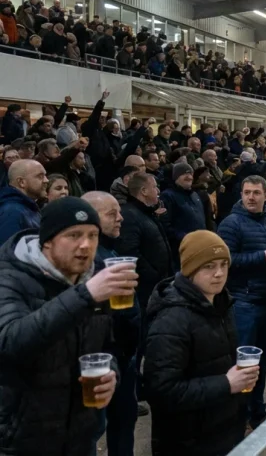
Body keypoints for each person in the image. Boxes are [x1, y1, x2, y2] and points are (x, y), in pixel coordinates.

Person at [0, 196, 137, 456]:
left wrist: (111, 375)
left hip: (81, 436)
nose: (85, 245)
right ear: (48, 241)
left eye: (92, 236)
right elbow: (8, 344)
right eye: (74, 235)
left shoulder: (94, 276)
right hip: (22, 440)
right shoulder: (10, 276)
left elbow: (106, 346)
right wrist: (84, 295)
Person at [144, 230, 256, 456]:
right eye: (208, 266)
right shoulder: (171, 321)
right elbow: (161, 391)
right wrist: (226, 384)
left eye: (224, 264)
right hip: (188, 442)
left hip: (221, 431)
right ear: (190, 269)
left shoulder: (221, 304)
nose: (219, 273)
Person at [217, 176, 266, 429]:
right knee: (243, 363)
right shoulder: (231, 223)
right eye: (246, 192)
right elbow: (225, 261)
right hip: (245, 303)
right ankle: (237, 415)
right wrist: (262, 256)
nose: (250, 197)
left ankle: (256, 410)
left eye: (256, 193)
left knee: (264, 361)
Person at [82, 191, 140, 456]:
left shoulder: (110, 250)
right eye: (112, 214)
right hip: (104, 362)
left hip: (123, 357)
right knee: (93, 430)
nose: (120, 218)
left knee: (124, 421)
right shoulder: (87, 262)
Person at [117, 172, 174, 315]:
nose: (158, 191)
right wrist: (153, 275)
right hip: (145, 291)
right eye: (155, 187)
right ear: (144, 191)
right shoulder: (130, 215)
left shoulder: (146, 213)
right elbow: (130, 252)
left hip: (158, 286)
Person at [160, 163, 207, 265]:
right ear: (175, 177)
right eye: (184, 174)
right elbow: (165, 225)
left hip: (200, 247)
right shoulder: (167, 196)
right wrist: (186, 238)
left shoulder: (195, 195)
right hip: (181, 251)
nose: (189, 176)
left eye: (190, 173)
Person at [0, 159, 46, 244]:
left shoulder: (28, 207)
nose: (46, 180)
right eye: (40, 176)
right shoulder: (12, 212)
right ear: (21, 182)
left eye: (45, 176)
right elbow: (7, 254)